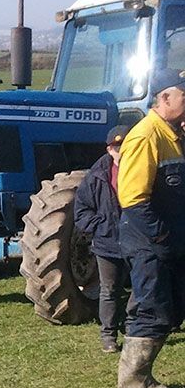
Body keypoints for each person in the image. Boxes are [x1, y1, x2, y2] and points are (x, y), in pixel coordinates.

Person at [115, 67, 185, 388]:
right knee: (153, 309)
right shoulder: (146, 136)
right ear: (165, 98)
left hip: (169, 240)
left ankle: (145, 377)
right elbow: (133, 199)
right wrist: (162, 238)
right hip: (149, 240)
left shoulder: (172, 134)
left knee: (171, 309)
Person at [74, 125, 131, 353]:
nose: (121, 151)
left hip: (137, 241)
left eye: (125, 146)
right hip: (107, 244)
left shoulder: (142, 169)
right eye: (117, 147)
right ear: (109, 149)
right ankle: (108, 336)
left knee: (142, 286)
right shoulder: (96, 176)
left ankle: (131, 324)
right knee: (109, 290)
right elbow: (81, 210)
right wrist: (101, 228)